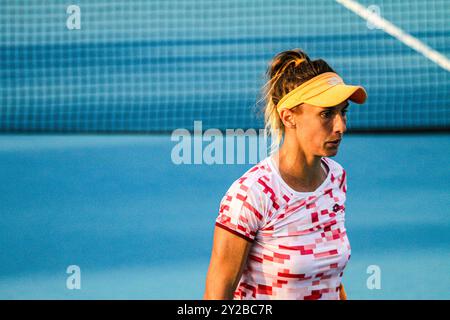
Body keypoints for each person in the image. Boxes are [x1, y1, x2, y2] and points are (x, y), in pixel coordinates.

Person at [203, 48, 367, 300]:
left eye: (342, 112)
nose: (341, 126)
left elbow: (329, 277)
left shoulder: (335, 178)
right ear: (289, 117)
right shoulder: (251, 194)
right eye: (326, 114)